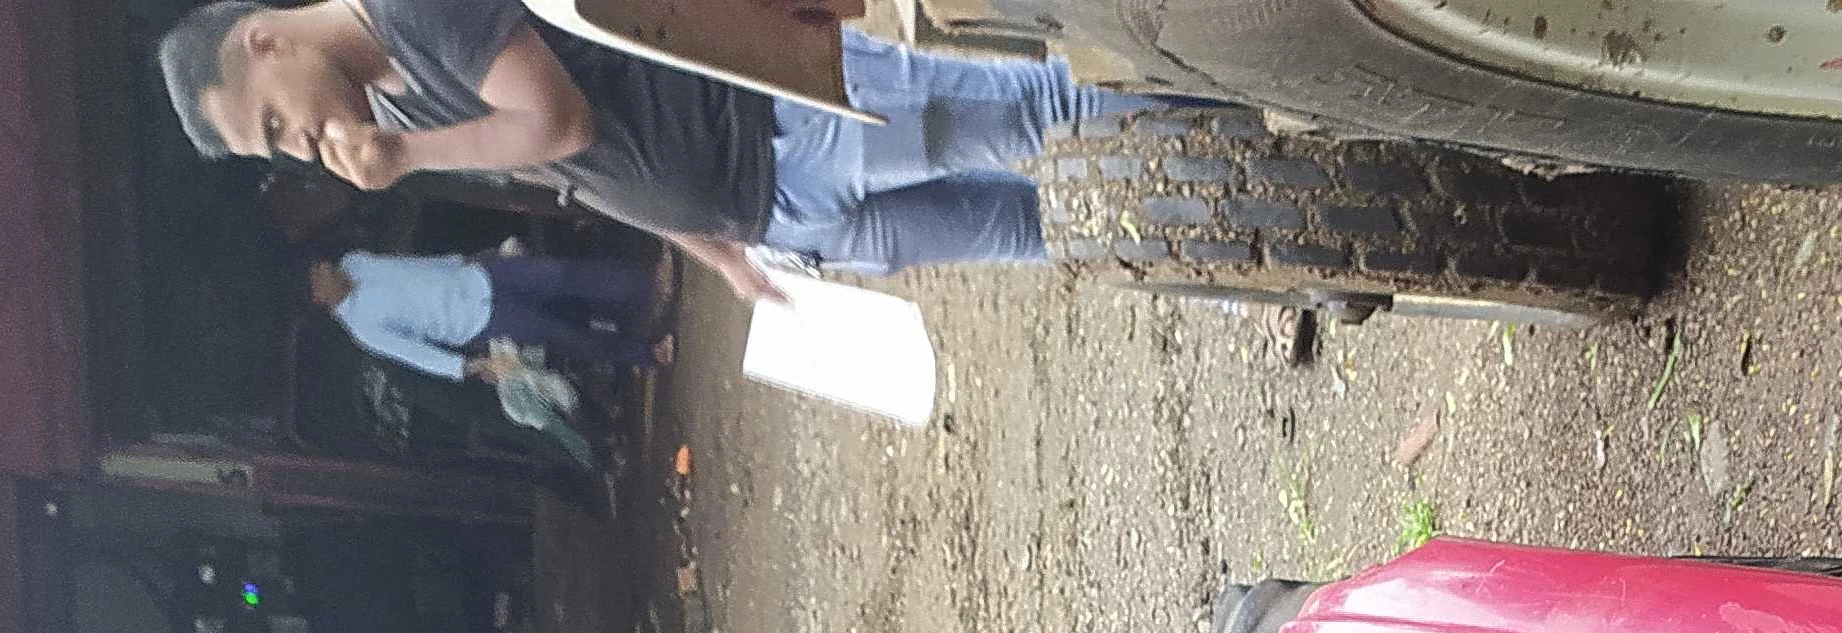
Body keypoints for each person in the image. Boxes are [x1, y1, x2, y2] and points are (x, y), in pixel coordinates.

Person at [159, 0, 1156, 292]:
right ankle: (1222, 238)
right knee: (1037, 232)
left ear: (266, 41)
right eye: (274, 149)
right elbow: (575, 172)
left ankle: (1222, 111)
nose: (299, 146)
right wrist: (713, 251)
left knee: (1040, 111)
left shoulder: (414, 14)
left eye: (274, 123)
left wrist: (409, 161)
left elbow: (559, 122)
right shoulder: (392, 103)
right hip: (770, 210)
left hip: (789, 119)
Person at [305, 247, 662, 381]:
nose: (325, 267)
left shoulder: (356, 261)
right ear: (319, 298)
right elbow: (412, 353)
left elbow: (412, 266)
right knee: (563, 334)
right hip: (475, 322)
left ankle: (647, 284)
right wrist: (463, 366)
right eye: (318, 275)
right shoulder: (363, 328)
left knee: (560, 274)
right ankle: (645, 353)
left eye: (319, 264)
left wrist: (463, 259)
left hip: (476, 276)